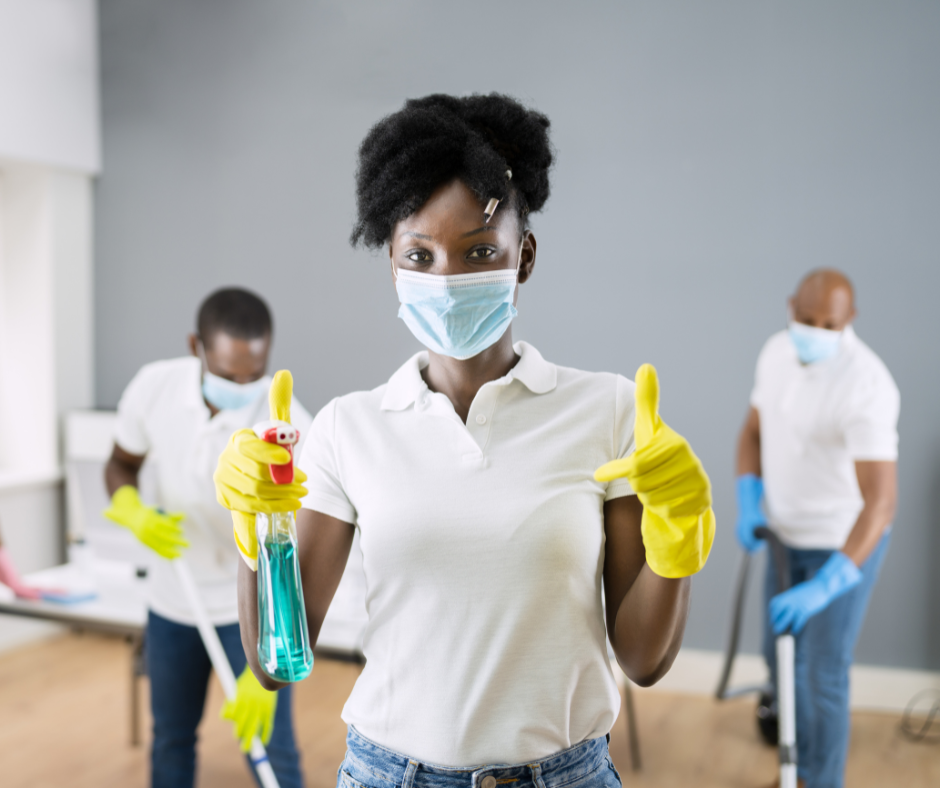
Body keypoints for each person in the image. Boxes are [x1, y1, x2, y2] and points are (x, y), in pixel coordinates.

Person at [214, 93, 715, 786]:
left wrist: (678, 539)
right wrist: (258, 528)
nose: (446, 280)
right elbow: (275, 664)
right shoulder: (346, 428)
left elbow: (644, 660)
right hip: (391, 774)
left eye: (480, 251)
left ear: (525, 256)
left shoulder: (610, 413)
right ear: (392, 264)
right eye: (419, 254)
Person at [103, 288, 310, 788]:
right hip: (173, 602)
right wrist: (130, 510)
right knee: (171, 737)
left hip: (251, 612)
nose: (243, 385)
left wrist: (271, 661)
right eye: (227, 375)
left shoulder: (286, 426)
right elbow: (120, 464)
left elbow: (296, 549)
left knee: (272, 747)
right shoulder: (155, 387)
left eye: (253, 374)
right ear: (196, 345)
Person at [735, 269, 899, 788]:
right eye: (806, 320)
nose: (815, 331)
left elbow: (881, 503)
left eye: (829, 324)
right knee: (775, 658)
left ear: (849, 321)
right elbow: (753, 430)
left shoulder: (867, 384)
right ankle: (795, 768)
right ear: (791, 308)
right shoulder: (775, 353)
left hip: (843, 546)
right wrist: (747, 496)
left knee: (819, 674)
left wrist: (830, 582)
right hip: (784, 538)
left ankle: (816, 781)